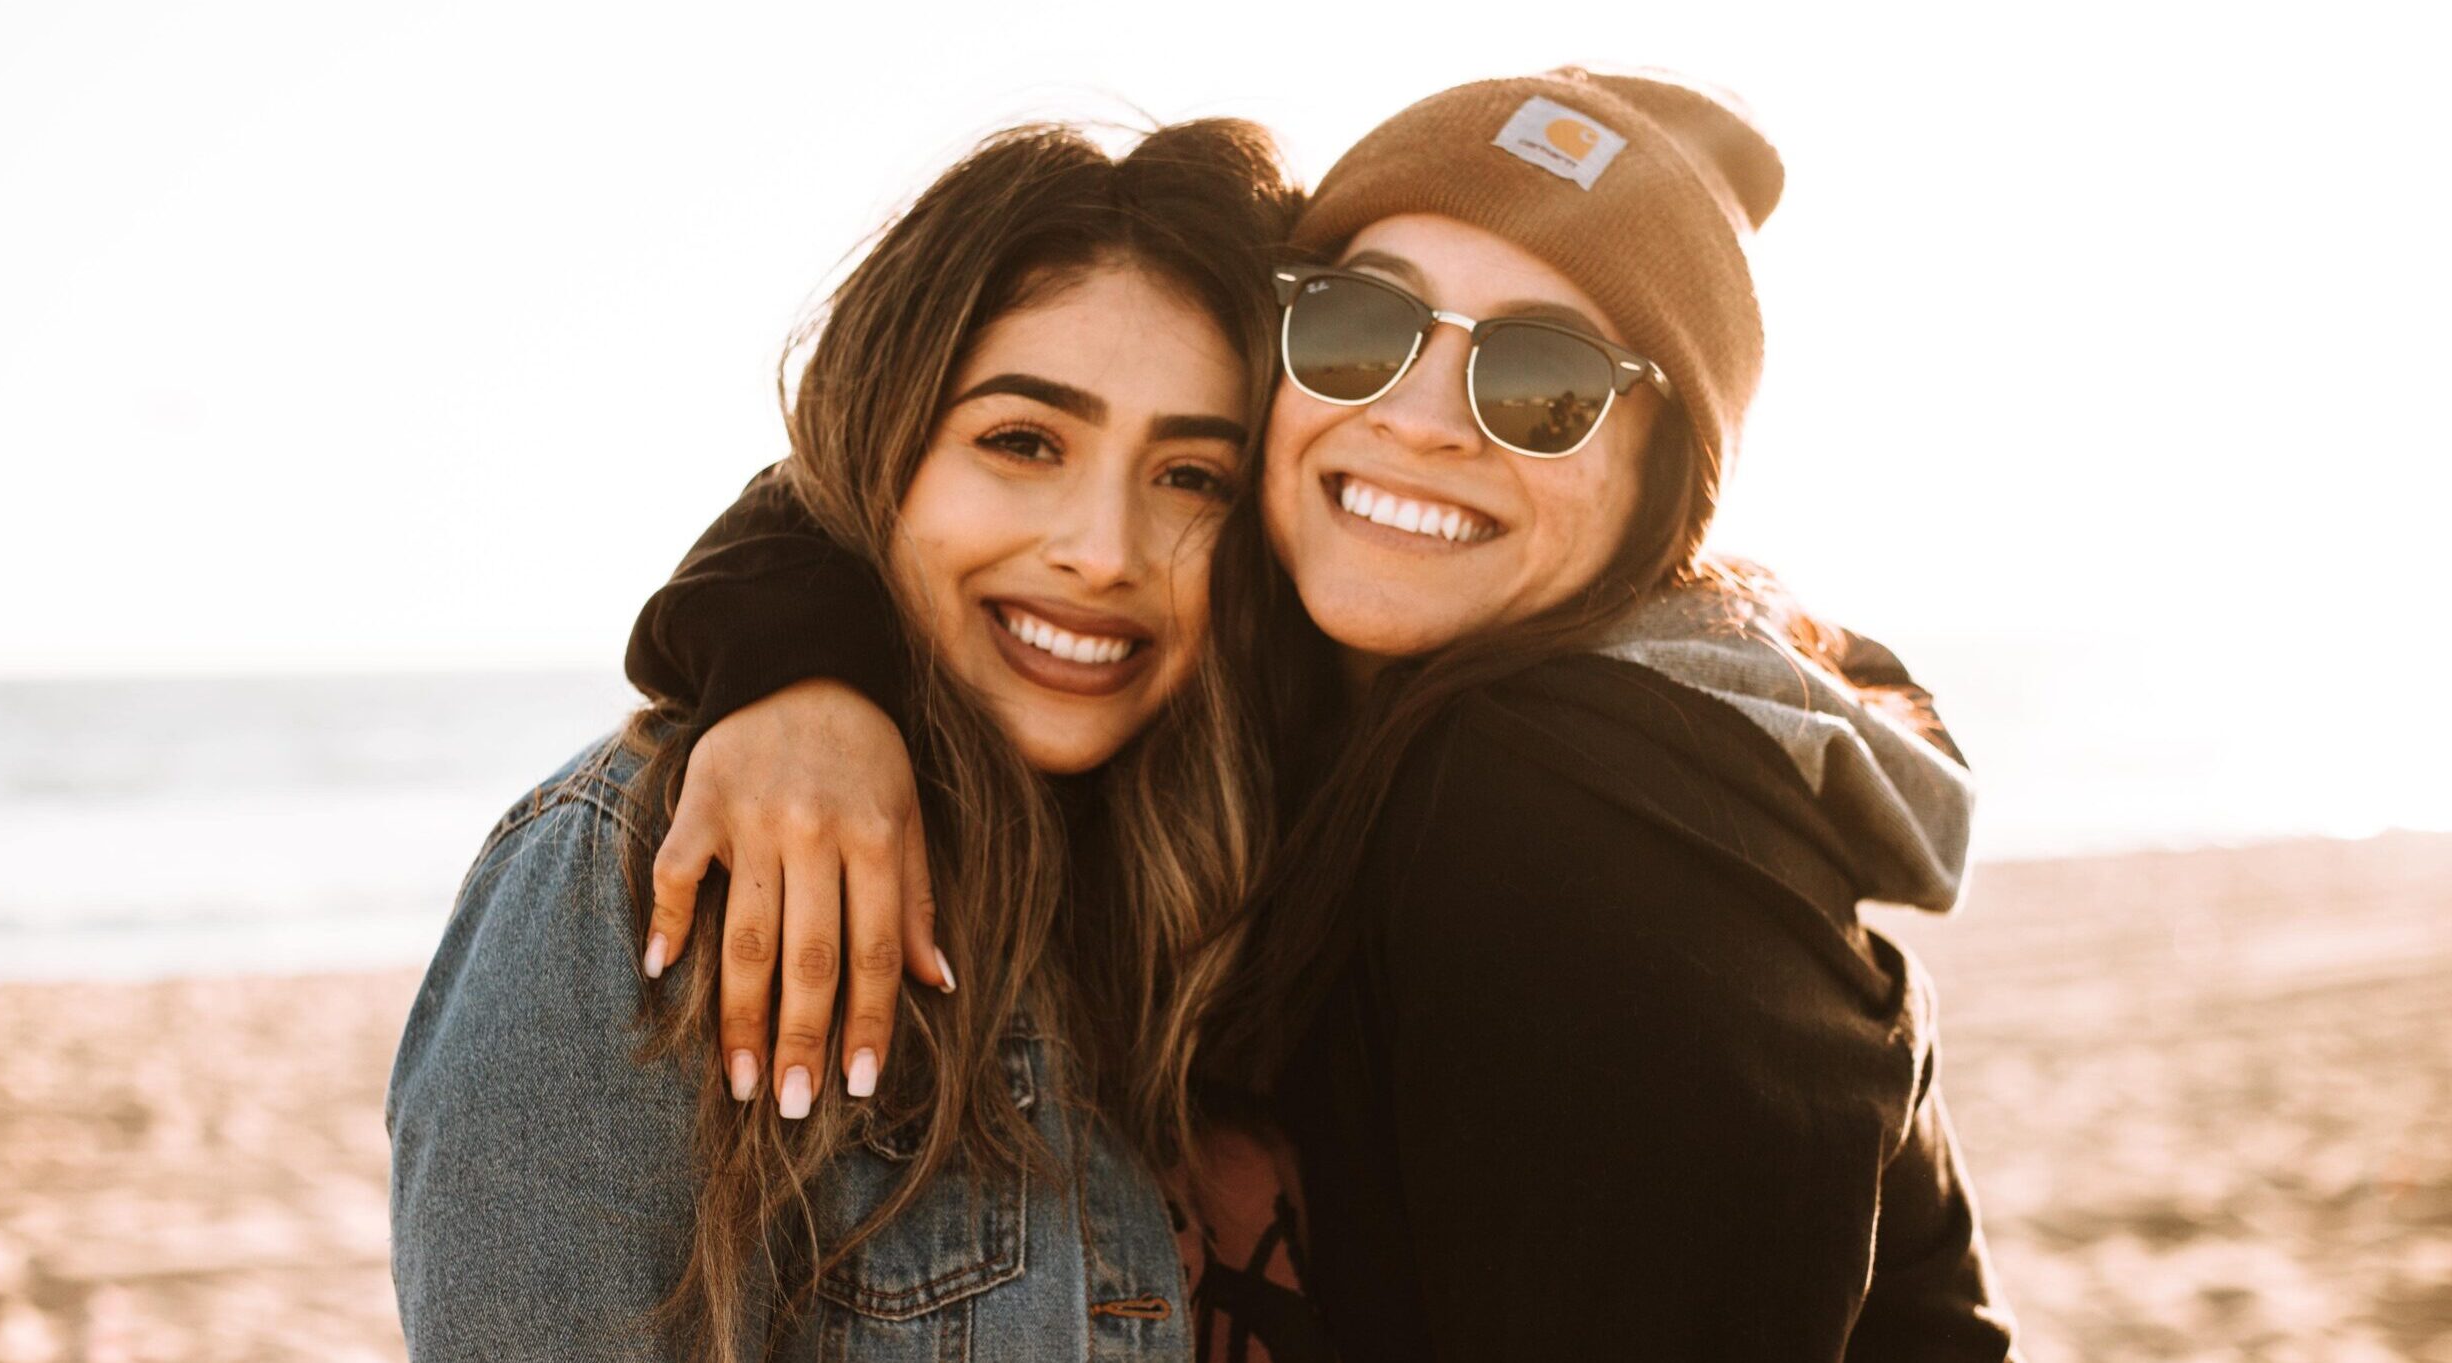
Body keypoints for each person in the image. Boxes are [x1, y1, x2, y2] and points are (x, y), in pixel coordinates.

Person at [619, 67, 2022, 1359]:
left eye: (1544, 382)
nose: (1419, 418)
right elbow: (885, 471)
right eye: (1364, 325)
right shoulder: (1290, 652)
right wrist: (808, 671)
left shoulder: (1581, 800)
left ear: (1667, 477)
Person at [385, 118, 1333, 1362]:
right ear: (882, 452)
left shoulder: (1265, 858)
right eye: (1022, 442)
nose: (1103, 552)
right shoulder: (637, 875)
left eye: (1192, 476)